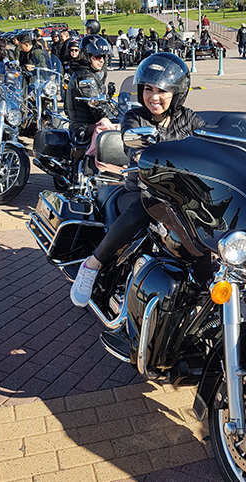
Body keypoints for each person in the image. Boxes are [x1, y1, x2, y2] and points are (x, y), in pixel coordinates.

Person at [71, 53, 202, 307]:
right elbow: (133, 145)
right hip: (140, 191)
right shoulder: (134, 117)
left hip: (179, 194)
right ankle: (92, 264)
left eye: (163, 90)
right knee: (146, 209)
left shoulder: (188, 118)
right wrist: (141, 153)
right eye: (148, 89)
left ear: (177, 92)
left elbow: (209, 139)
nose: (154, 97)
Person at [64, 35, 117, 147]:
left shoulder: (89, 73)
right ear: (86, 56)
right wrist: (113, 118)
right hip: (84, 127)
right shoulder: (85, 78)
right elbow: (97, 107)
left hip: (89, 122)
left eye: (103, 56)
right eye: (97, 56)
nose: (101, 60)